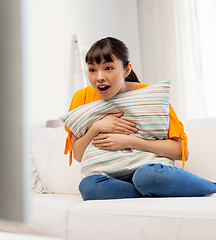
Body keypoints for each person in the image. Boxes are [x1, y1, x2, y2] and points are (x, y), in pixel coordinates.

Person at [64, 37, 216, 200]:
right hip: (108, 177)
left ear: (126, 70)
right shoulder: (82, 97)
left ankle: (211, 187)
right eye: (92, 70)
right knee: (88, 187)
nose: (99, 77)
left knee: (145, 177)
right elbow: (78, 155)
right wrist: (97, 127)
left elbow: (181, 152)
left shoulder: (151, 96)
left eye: (108, 68)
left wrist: (129, 142)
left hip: (146, 169)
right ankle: (148, 191)